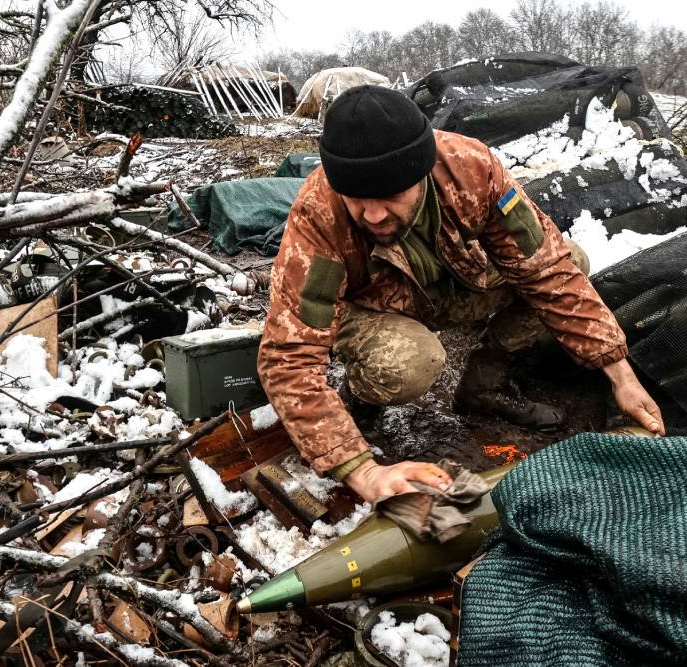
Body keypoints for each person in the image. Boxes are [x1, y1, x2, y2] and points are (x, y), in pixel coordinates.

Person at [257, 85, 665, 503]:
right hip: (371, 307)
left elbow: (547, 270)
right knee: (409, 362)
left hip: (452, 285)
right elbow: (288, 355)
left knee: (571, 261)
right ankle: (361, 402)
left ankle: (484, 384)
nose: (374, 215)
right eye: (358, 200)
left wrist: (621, 375)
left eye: (391, 196)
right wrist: (360, 470)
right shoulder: (319, 216)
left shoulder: (471, 168)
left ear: (421, 173)